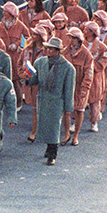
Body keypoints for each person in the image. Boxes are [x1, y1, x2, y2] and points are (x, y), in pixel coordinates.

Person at [23, 37, 75, 165]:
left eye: (51, 48)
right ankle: (48, 148)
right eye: (47, 48)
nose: (48, 51)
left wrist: (68, 108)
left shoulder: (68, 68)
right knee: (45, 126)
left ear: (58, 50)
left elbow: (69, 89)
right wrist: (28, 78)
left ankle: (52, 154)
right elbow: (36, 79)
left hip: (56, 101)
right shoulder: (40, 62)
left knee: (54, 128)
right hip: (43, 100)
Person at [63, 27, 93, 146]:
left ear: (79, 39)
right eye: (70, 38)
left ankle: (75, 135)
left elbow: (89, 73)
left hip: (80, 87)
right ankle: (66, 134)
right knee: (66, 110)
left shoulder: (86, 54)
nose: (71, 40)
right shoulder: (65, 52)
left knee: (80, 110)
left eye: (73, 38)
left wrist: (85, 88)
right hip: (67, 86)